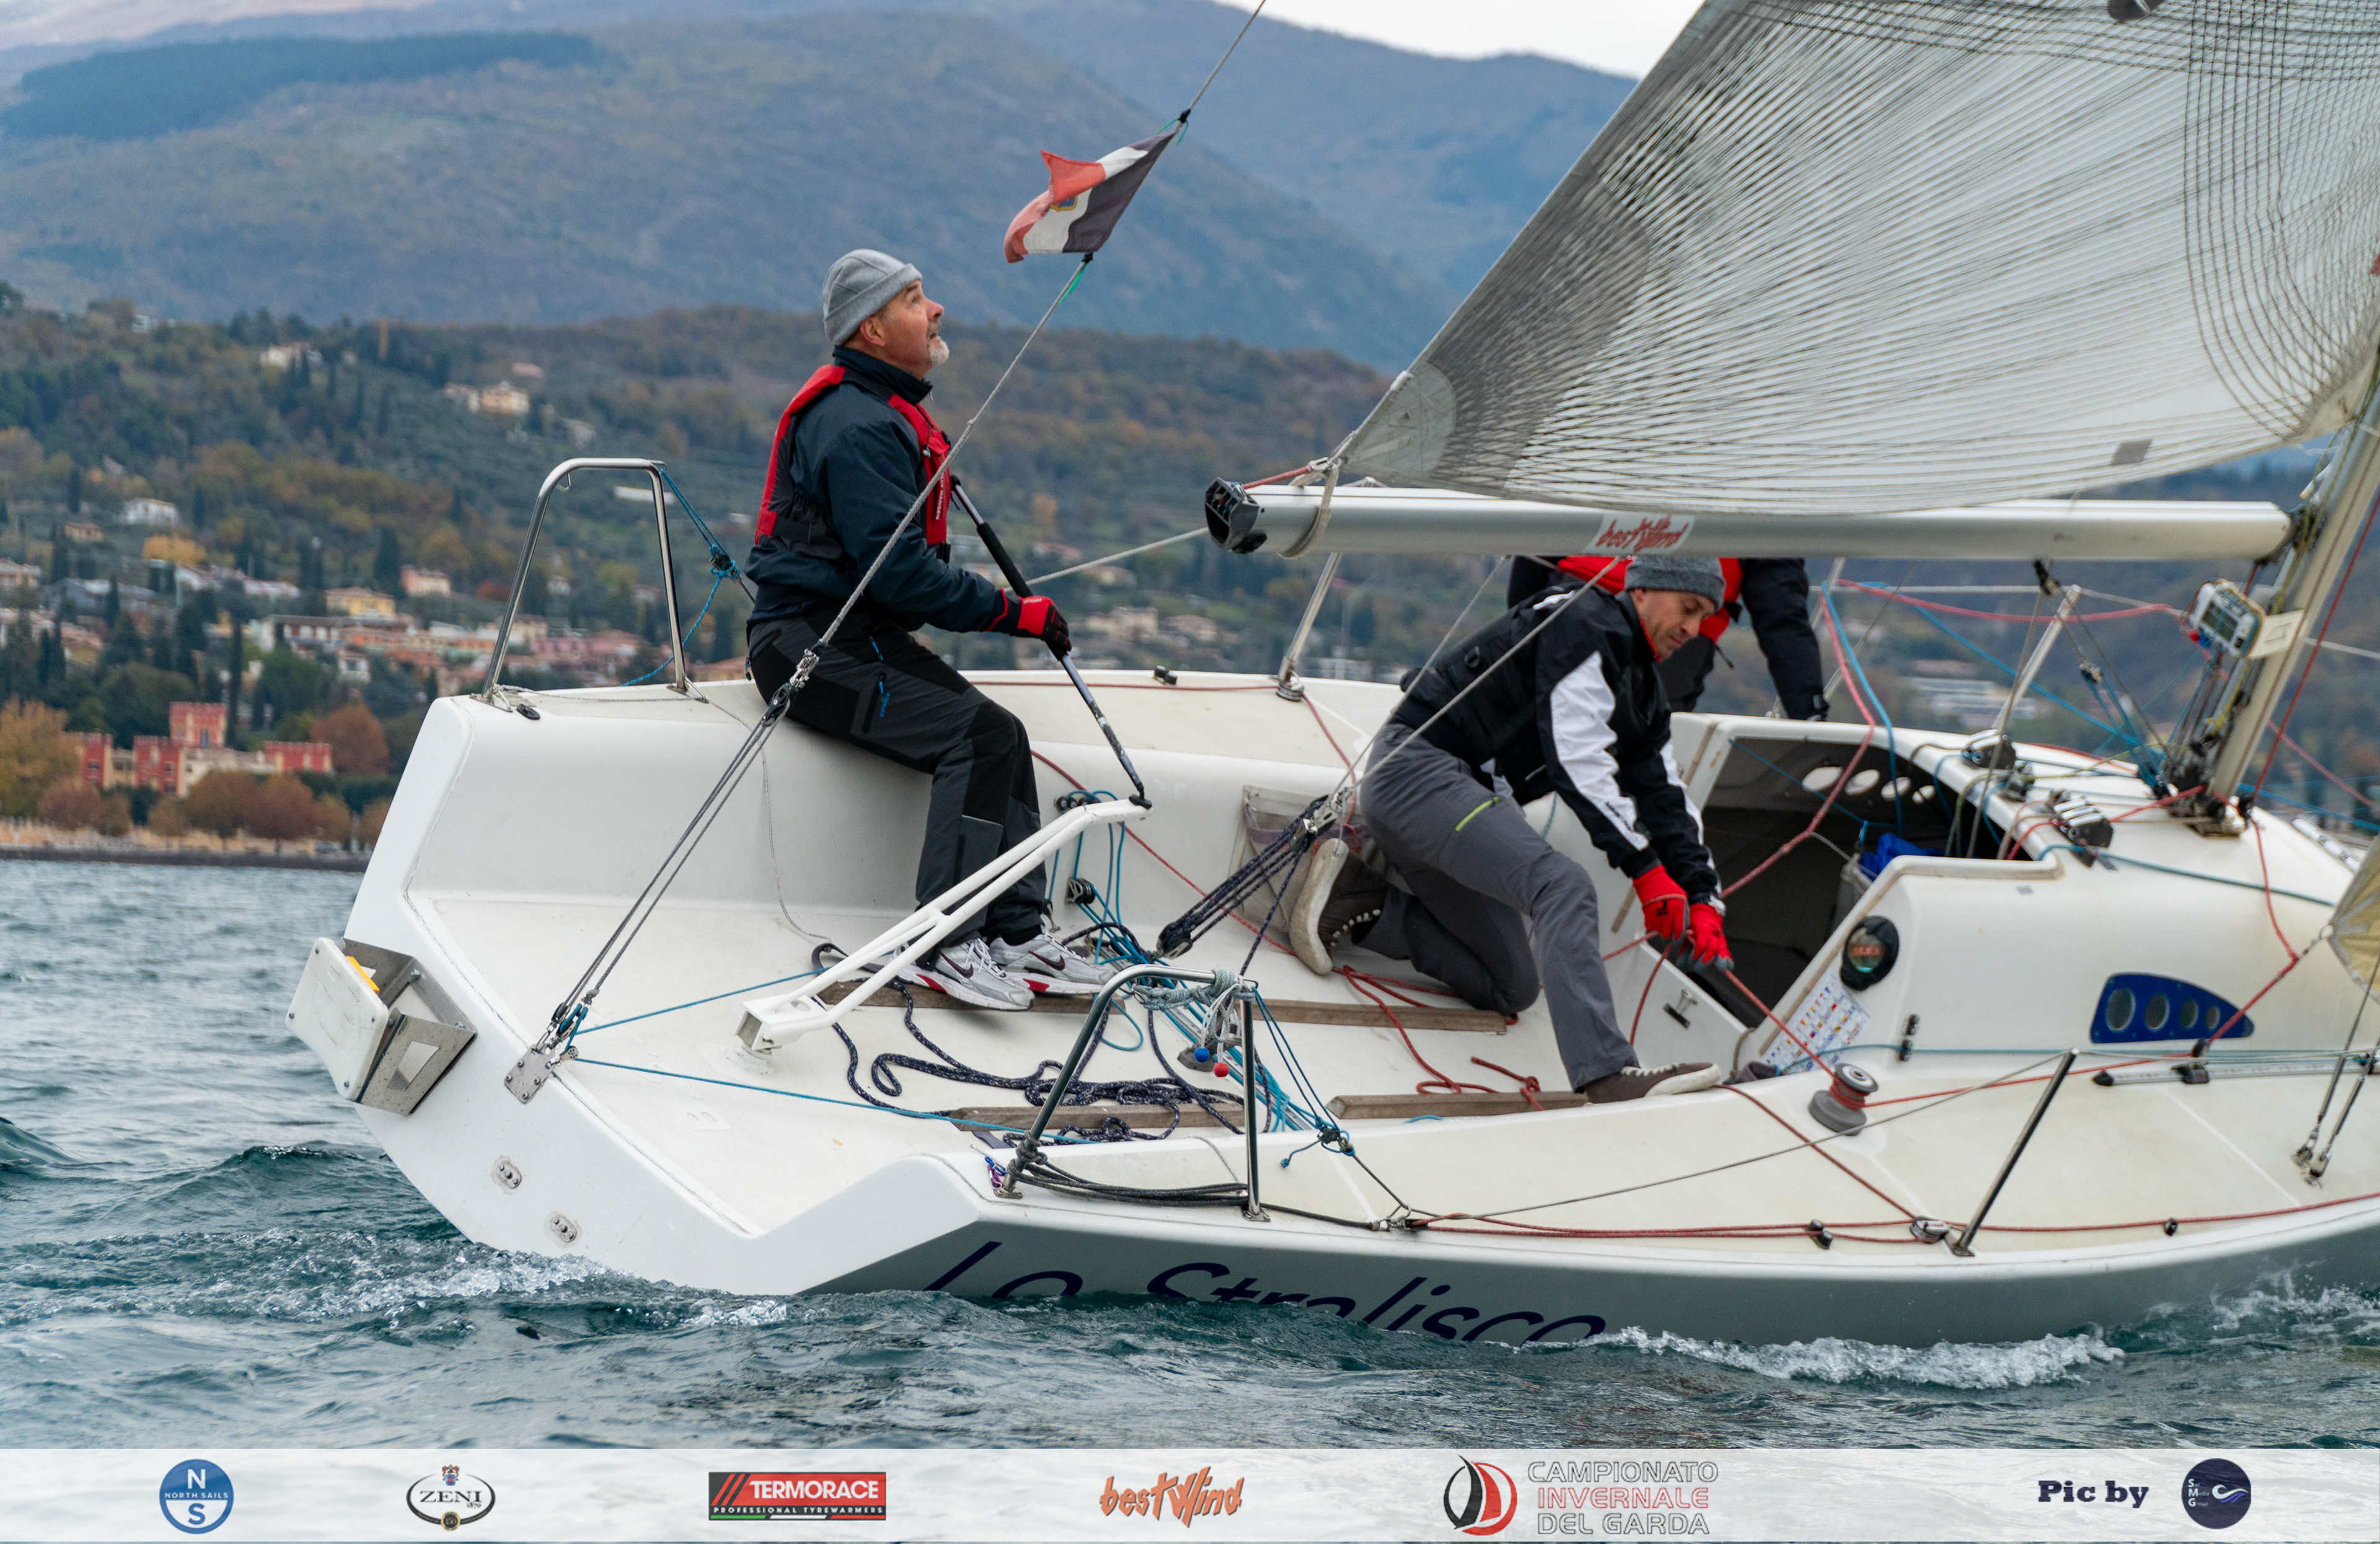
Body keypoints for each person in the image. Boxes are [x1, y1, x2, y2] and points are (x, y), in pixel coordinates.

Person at [744, 249, 1111, 1010]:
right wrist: (1014, 614)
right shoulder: (857, 427)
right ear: (873, 330)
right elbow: (901, 574)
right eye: (916, 299)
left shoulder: (877, 410)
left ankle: (1015, 932)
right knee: (973, 737)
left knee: (1002, 735)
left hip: (851, 639)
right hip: (805, 648)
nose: (935, 309)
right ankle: (942, 941)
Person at [1287, 555, 1737, 1102]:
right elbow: (1576, 758)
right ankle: (1607, 1073)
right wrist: (1646, 871)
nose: (1693, 630)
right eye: (1688, 608)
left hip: (1453, 798)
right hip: (1418, 768)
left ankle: (1365, 902)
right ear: (1642, 590)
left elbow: (1665, 795)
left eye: (1705, 618)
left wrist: (1702, 897)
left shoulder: (1642, 687)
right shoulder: (1587, 623)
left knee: (1514, 986)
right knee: (1563, 886)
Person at [1510, 555, 1827, 720]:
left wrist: (1809, 711)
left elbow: (1783, 620)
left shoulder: (1763, 491)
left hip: (1667, 648)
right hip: (1572, 601)